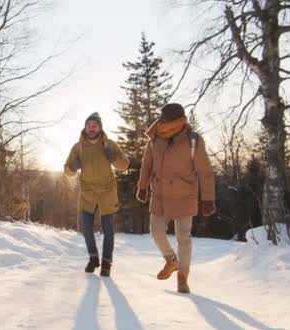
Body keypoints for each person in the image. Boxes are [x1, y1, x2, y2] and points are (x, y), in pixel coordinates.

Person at [136, 103, 215, 293]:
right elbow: (147, 164)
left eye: (164, 117)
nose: (160, 120)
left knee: (184, 238)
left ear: (175, 120)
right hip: (160, 194)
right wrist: (143, 186)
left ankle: (182, 277)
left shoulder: (193, 140)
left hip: (184, 193)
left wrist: (208, 198)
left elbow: (204, 171)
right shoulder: (154, 137)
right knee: (156, 231)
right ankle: (172, 261)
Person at [65, 112, 129, 277]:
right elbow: (67, 171)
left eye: (94, 125)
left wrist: (113, 157)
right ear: (85, 127)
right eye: (89, 125)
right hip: (87, 192)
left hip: (107, 191)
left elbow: (124, 165)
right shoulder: (78, 147)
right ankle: (93, 257)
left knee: (108, 230)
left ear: (100, 127)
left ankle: (107, 262)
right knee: (87, 229)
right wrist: (73, 167)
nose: (91, 128)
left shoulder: (109, 144)